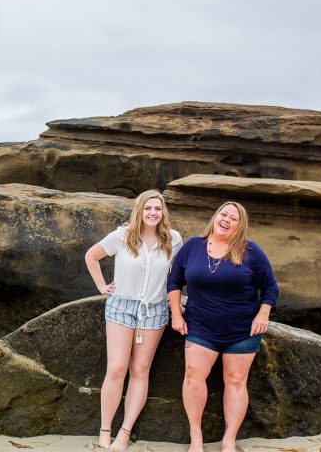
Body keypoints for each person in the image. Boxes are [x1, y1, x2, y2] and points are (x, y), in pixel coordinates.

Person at [167, 201, 279, 452]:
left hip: (242, 330)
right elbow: (174, 280)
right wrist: (176, 314)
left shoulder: (251, 251)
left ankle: (229, 440)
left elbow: (270, 287)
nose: (227, 219)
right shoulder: (193, 246)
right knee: (194, 376)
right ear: (215, 217)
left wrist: (263, 313)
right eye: (223, 214)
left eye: (234, 218)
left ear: (240, 225)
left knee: (236, 381)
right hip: (201, 327)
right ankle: (196, 438)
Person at [85, 189, 183, 451]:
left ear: (163, 213)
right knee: (116, 369)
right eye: (148, 208)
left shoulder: (172, 240)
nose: (153, 213)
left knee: (140, 370)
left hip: (155, 310)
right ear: (139, 210)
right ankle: (105, 430)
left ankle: (125, 433)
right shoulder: (122, 235)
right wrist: (102, 286)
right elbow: (91, 256)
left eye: (158, 209)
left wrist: (178, 308)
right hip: (121, 307)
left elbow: (175, 277)